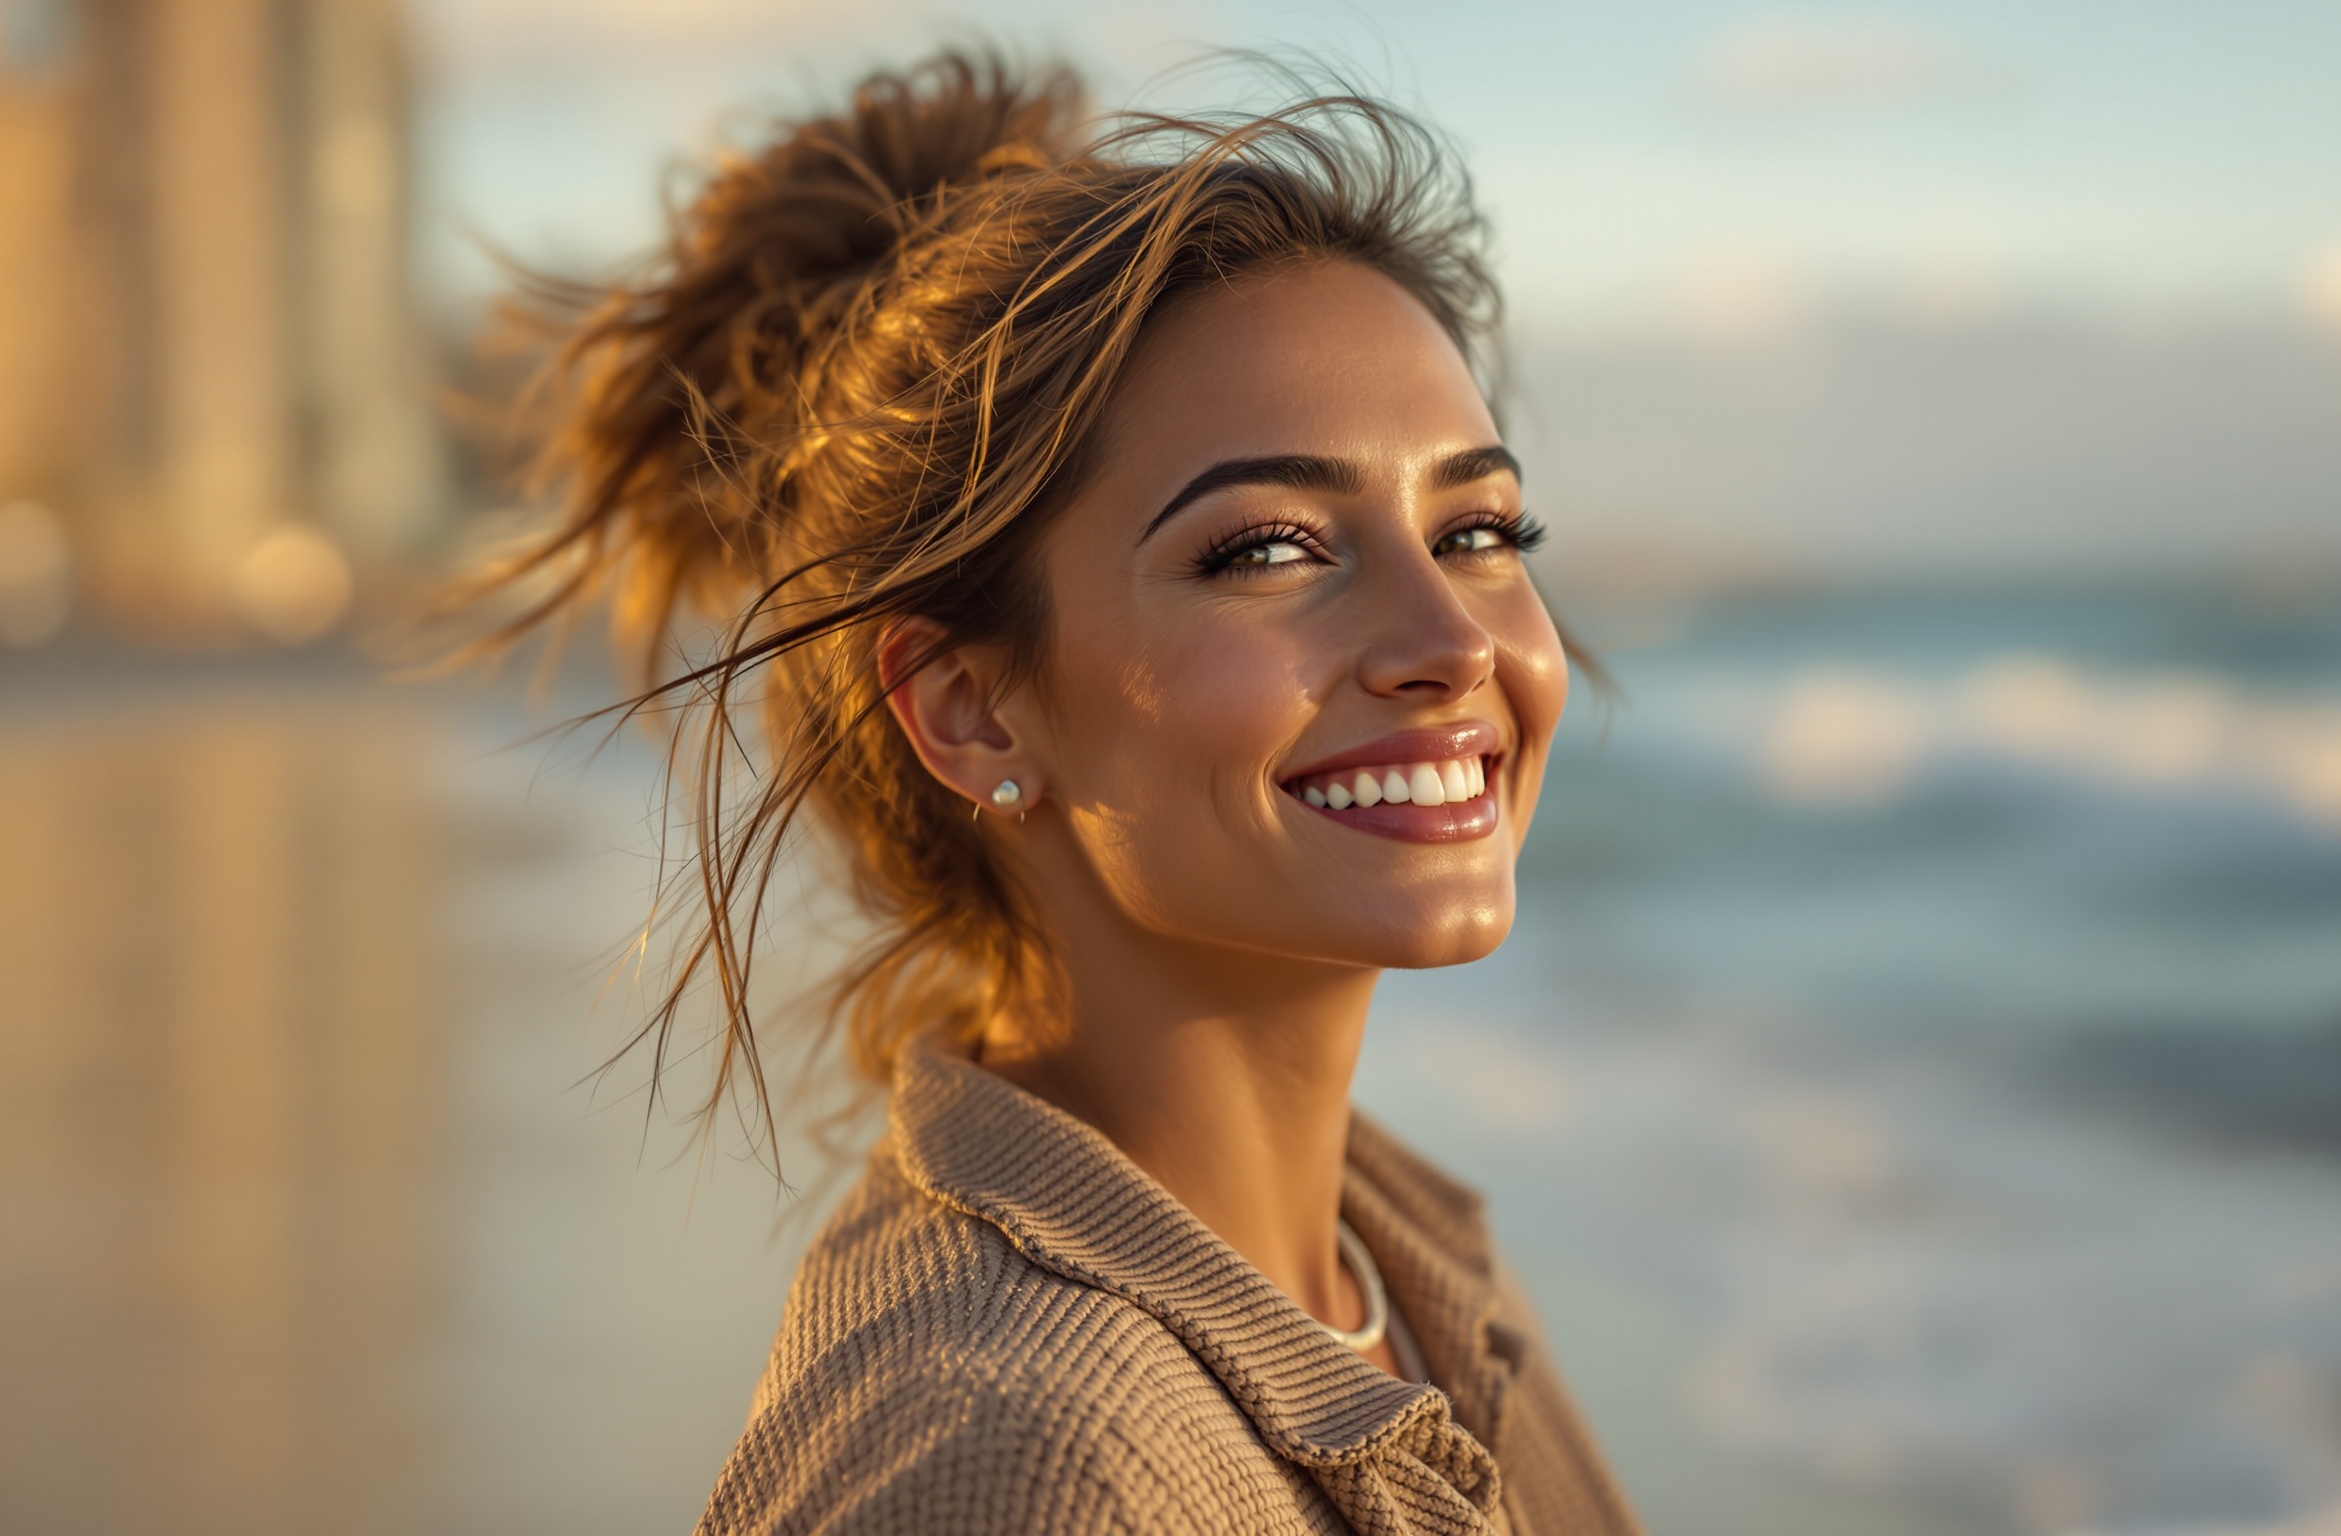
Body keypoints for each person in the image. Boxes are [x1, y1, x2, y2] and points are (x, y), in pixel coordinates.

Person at [474, 50, 1643, 1536]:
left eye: (1479, 528)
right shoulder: (1018, 1462)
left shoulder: (1395, 1261)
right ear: (966, 710)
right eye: (1269, 549)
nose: (1452, 643)